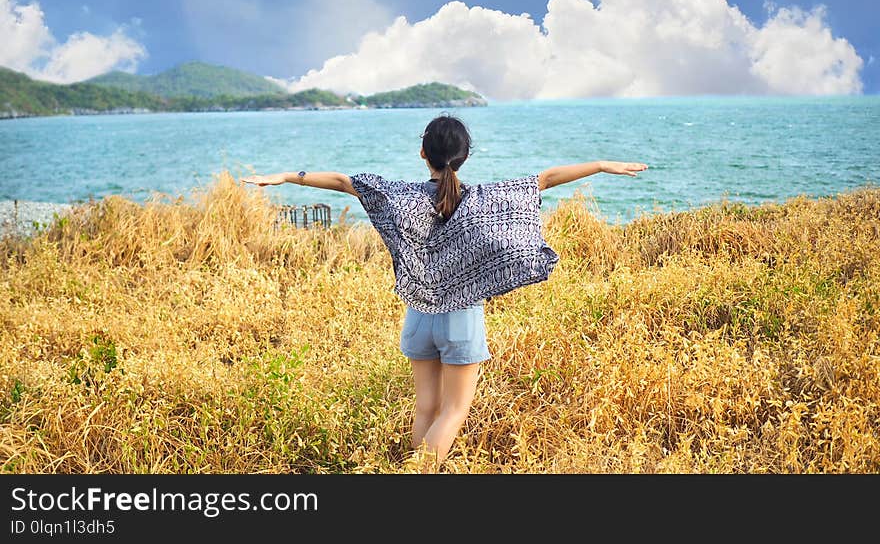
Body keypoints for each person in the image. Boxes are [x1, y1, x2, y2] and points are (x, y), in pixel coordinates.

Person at [241, 114, 647, 471]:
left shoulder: (399, 196)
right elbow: (545, 178)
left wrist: (284, 177)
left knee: (426, 408)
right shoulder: (485, 201)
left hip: (418, 318)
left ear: (423, 153)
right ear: (465, 156)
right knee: (453, 411)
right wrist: (600, 165)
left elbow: (344, 182)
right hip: (461, 320)